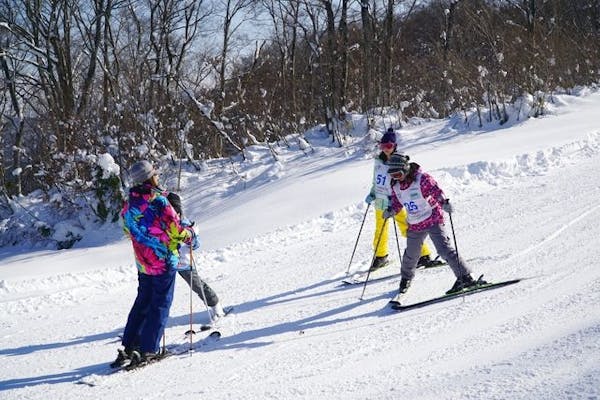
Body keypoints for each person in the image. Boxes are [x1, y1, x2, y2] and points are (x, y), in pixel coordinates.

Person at [112, 160, 195, 368]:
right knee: (160, 303)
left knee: (142, 302)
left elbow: (126, 229)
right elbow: (175, 230)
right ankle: (149, 348)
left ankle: (130, 345)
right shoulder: (159, 200)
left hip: (143, 262)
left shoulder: (129, 203)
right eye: (154, 173)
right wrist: (189, 234)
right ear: (150, 176)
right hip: (164, 260)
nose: (157, 176)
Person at [382, 153, 485, 296]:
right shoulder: (396, 185)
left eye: (398, 174)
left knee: (444, 249)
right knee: (411, 255)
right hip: (415, 223)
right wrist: (391, 210)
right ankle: (406, 279)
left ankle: (465, 277)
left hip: (432, 218)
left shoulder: (422, 179)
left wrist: (444, 203)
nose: (395, 178)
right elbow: (397, 201)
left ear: (405, 169)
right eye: (392, 175)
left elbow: (436, 191)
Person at [364, 128, 439, 271]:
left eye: (389, 146)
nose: (386, 149)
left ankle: (423, 254)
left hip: (395, 200)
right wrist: (372, 193)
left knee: (407, 228)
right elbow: (376, 179)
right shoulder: (378, 161)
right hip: (380, 200)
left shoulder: (398, 160)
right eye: (382, 146)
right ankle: (380, 256)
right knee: (380, 229)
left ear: (394, 145)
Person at [165, 192, 226, 320]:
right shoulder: (163, 224)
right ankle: (147, 323)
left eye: (177, 211)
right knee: (159, 293)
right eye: (171, 211)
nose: (175, 215)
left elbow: (196, 243)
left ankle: (216, 307)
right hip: (167, 263)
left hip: (184, 264)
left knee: (197, 285)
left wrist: (190, 241)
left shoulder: (187, 225)